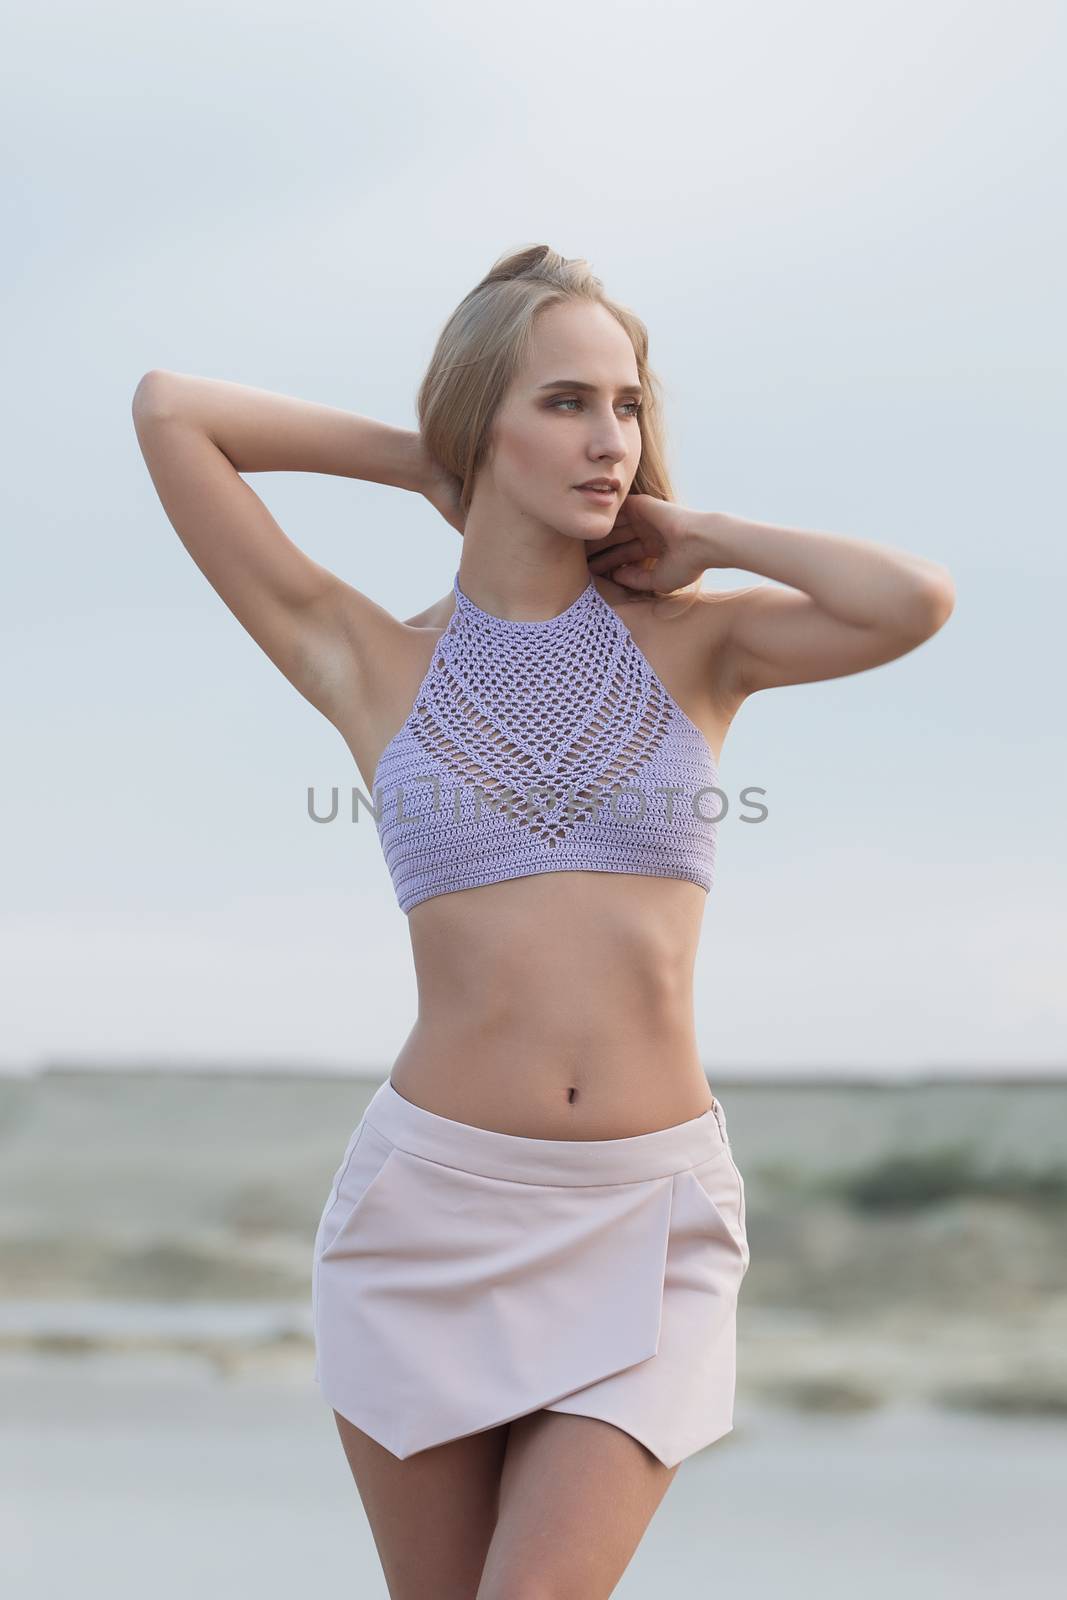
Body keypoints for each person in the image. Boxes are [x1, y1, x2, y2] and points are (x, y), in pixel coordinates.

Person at [132, 243, 955, 1599]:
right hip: (426, 1221)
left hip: (649, 1220)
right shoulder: (369, 659)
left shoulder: (699, 642)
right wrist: (434, 462)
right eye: (567, 402)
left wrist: (706, 536)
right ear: (484, 420)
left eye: (627, 405)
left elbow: (913, 601)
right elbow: (174, 410)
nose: (611, 439)